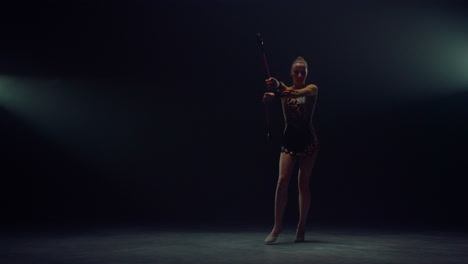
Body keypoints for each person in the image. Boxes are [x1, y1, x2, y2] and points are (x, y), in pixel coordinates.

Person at [262, 56, 320, 244]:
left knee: (303, 183)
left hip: (308, 141)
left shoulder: (311, 89)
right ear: (291, 73)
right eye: (297, 71)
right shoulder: (285, 90)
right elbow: (283, 91)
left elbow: (293, 93)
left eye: (304, 71)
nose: (301, 74)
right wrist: (273, 91)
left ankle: (301, 226)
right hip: (290, 141)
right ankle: (277, 227)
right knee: (282, 181)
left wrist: (277, 88)